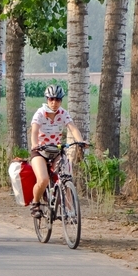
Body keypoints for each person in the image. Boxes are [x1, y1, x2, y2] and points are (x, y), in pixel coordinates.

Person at [29, 84, 86, 218]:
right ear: (47, 99)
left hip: (56, 151)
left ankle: (70, 210)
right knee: (43, 180)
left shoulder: (63, 113)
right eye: (51, 99)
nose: (54, 103)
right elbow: (34, 131)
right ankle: (35, 203)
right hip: (40, 151)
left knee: (66, 177)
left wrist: (81, 141)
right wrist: (34, 144)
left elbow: (73, 128)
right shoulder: (40, 113)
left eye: (58, 100)